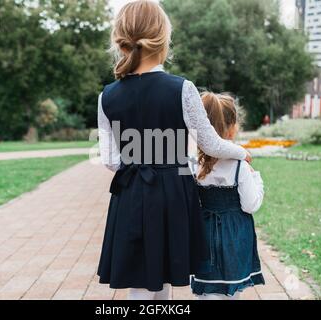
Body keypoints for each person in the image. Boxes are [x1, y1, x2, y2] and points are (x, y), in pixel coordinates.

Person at [97, 0, 251, 300]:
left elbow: (110, 160)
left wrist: (139, 166)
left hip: (130, 194)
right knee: (159, 274)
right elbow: (210, 143)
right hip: (172, 193)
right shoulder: (182, 89)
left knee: (144, 276)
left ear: (121, 41)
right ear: (163, 39)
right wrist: (240, 152)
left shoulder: (107, 96)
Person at [191, 92, 265, 300]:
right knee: (230, 293)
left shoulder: (192, 163)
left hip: (203, 234)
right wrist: (257, 179)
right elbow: (251, 204)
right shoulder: (240, 164)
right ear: (231, 127)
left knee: (206, 292)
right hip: (234, 236)